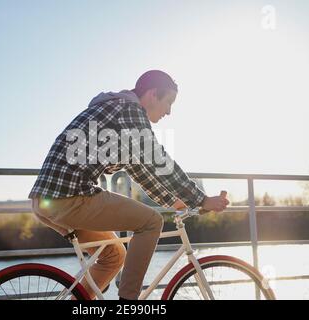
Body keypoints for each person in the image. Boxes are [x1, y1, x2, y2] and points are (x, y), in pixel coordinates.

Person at [29, 70, 229, 300]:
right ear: (153, 94)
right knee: (152, 222)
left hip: (46, 200)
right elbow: (157, 159)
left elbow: (142, 171)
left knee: (113, 256)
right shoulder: (129, 109)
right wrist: (201, 199)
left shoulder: (117, 113)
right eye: (168, 102)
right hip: (70, 196)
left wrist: (176, 203)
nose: (169, 111)